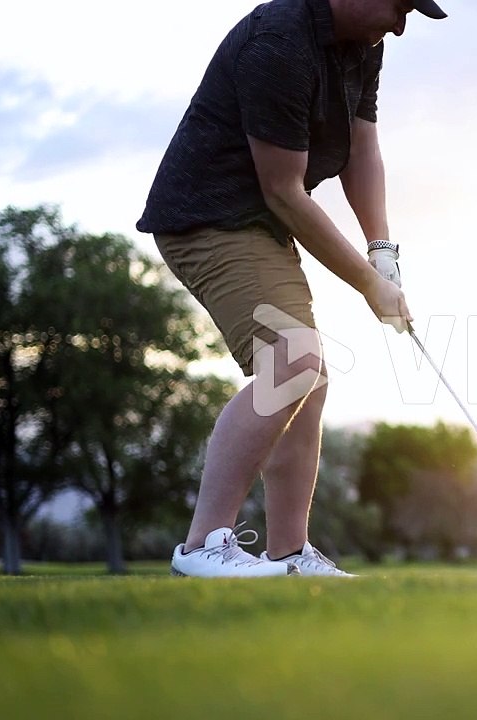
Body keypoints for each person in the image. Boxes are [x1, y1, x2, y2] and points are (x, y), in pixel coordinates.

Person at [136, 0, 447, 577]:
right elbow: (283, 189)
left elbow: (361, 147)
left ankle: (289, 555)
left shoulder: (363, 43)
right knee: (291, 361)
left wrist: (381, 253)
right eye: (398, 5)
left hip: (259, 221)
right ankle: (203, 546)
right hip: (208, 216)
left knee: (308, 376)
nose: (401, 25)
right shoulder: (278, 44)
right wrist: (364, 285)